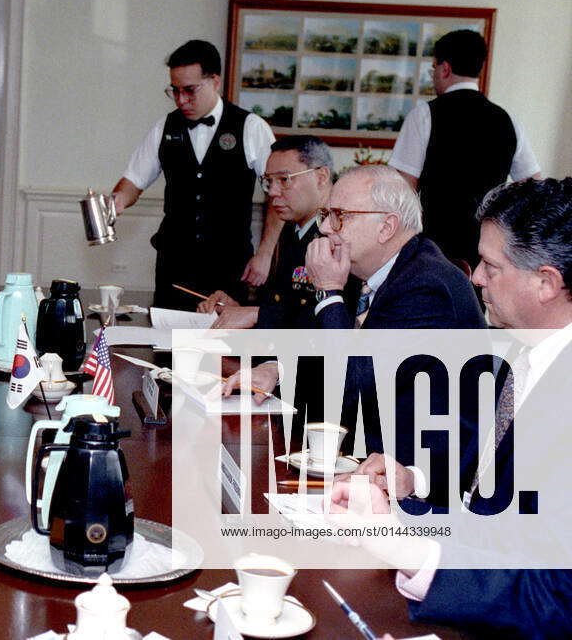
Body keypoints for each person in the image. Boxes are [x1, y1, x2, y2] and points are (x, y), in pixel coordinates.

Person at [332, 178, 572, 638]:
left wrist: (414, 555)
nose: (476, 277)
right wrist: (411, 481)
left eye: (490, 266)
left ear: (546, 283)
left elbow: (556, 596)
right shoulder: (524, 354)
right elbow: (486, 494)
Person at [225, 165, 484, 451]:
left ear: (386, 227)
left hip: (410, 465)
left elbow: (351, 386)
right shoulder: (364, 272)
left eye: (339, 216)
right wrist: (277, 370)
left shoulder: (426, 287)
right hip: (357, 441)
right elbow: (327, 351)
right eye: (326, 215)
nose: (324, 228)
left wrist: (328, 290)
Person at [111, 40, 278, 310]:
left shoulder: (250, 127)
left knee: (223, 348)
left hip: (230, 268)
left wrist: (266, 253)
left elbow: (278, 193)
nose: (181, 100)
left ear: (215, 81)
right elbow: (133, 181)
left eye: (190, 90)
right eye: (174, 91)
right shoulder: (165, 127)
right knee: (166, 347)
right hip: (174, 267)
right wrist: (116, 202)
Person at [389, 29, 540, 273]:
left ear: (445, 69)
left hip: (430, 248)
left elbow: (401, 192)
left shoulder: (424, 116)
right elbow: (534, 190)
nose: (434, 75)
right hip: (485, 253)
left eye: (434, 68)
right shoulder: (508, 120)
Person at [197, 135, 334, 329]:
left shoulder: (341, 233)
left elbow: (333, 321)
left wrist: (257, 315)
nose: (272, 192)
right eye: (269, 181)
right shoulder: (292, 227)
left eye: (284, 179)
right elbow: (284, 306)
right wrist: (238, 309)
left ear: (321, 177)